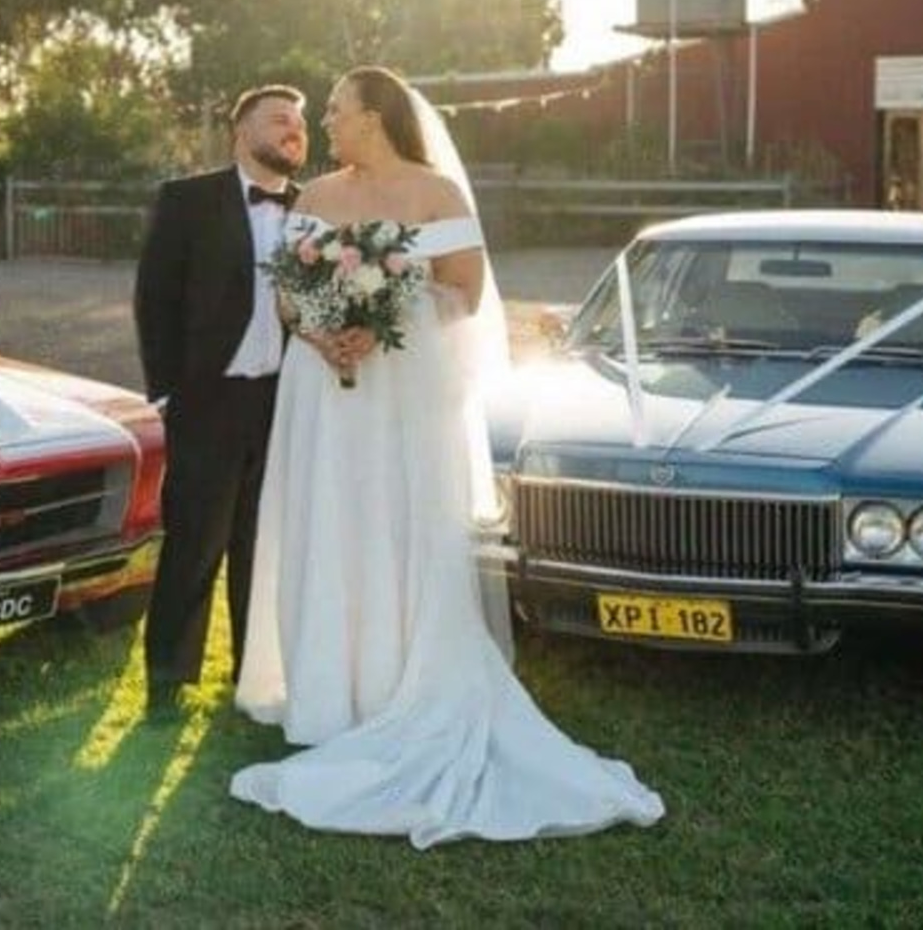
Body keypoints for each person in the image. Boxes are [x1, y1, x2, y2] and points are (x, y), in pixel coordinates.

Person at [229, 66, 664, 847]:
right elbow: (288, 293)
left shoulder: (438, 195)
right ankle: (328, 693)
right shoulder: (318, 197)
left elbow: (465, 290)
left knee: (399, 524)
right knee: (330, 520)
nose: (325, 122)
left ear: (377, 116)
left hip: (404, 391)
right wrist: (321, 324)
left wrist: (388, 308)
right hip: (321, 390)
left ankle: (401, 683)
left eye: (337, 109)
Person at [133, 85, 310, 718]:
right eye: (279, 120)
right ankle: (166, 682)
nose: (293, 131)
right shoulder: (186, 201)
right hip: (207, 401)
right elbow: (154, 299)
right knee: (194, 544)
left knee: (264, 546)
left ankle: (254, 678)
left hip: (285, 405)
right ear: (241, 131)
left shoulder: (317, 212)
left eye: (300, 123)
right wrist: (169, 392)